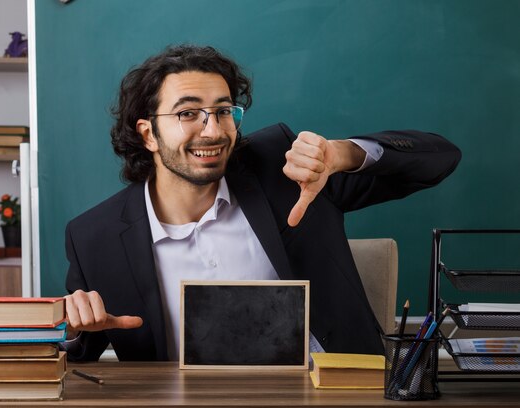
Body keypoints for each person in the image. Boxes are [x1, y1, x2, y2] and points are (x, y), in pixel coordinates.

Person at [62, 44, 461, 361]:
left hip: (333, 403)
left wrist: (343, 155)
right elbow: (79, 351)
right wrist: (75, 329)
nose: (213, 130)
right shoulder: (95, 237)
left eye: (223, 111)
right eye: (188, 113)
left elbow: (438, 160)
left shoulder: (286, 172)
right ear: (148, 134)